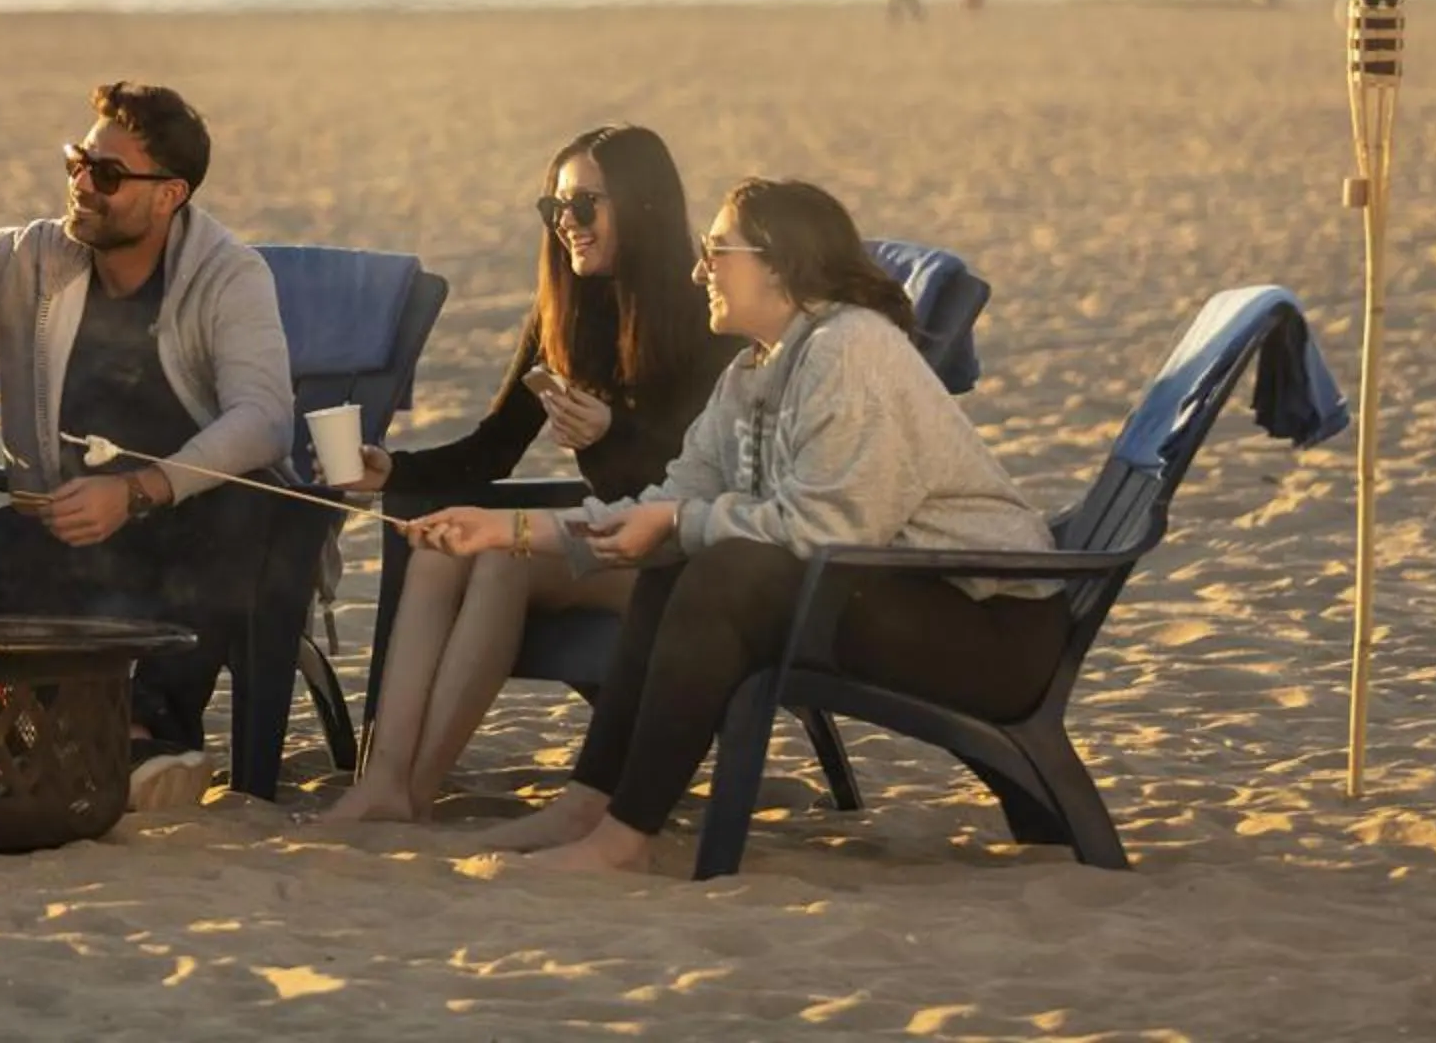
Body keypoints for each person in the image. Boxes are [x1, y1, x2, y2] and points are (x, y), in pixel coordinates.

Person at [421, 179, 1067, 875]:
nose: (699, 270)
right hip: (897, 596)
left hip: (990, 630)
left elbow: (832, 526)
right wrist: (503, 531)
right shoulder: (750, 376)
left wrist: (678, 520)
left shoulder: (851, 348)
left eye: (716, 251)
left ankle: (622, 842)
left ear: (779, 262)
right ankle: (591, 806)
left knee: (723, 567)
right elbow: (666, 504)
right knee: (679, 555)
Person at [320, 124, 731, 824]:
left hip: (682, 555)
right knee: (440, 545)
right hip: (605, 541)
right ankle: (385, 780)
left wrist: (614, 434)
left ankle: (416, 791)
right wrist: (391, 469)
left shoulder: (705, 313)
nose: (566, 224)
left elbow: (710, 477)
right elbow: (492, 450)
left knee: (503, 558)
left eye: (584, 206)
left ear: (640, 203)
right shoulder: (562, 310)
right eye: (555, 208)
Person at [0, 82, 293, 812]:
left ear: (170, 195)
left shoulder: (229, 274)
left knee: (242, 511)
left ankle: (145, 734)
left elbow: (262, 419)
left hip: (183, 525)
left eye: (105, 175)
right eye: (77, 162)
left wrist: (135, 492)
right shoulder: (40, 256)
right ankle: (35, 737)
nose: (81, 187)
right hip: (68, 528)